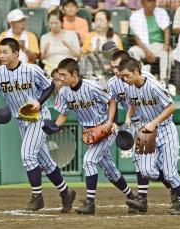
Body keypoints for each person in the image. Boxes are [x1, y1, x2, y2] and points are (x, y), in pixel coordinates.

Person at [0, 38, 76, 213]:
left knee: (27, 155)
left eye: (5, 52)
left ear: (16, 53)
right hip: (20, 120)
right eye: (0, 51)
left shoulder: (31, 69)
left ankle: (37, 197)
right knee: (46, 162)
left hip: (38, 117)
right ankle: (66, 192)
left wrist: (39, 102)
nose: (1, 55)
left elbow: (49, 85)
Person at [52, 58, 137, 215]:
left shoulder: (91, 86)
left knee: (88, 161)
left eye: (64, 75)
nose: (61, 79)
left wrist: (110, 122)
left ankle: (90, 203)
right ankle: (133, 198)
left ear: (74, 73)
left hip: (105, 129)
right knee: (110, 171)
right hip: (90, 133)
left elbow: (111, 101)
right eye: (60, 75)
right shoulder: (64, 92)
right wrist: (55, 126)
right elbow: (63, 114)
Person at [117, 57, 180, 215]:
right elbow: (132, 103)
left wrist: (154, 122)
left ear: (136, 71)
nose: (124, 78)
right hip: (145, 132)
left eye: (127, 75)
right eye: (122, 76)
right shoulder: (129, 87)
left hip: (165, 130)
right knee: (145, 171)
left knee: (170, 172)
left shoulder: (153, 86)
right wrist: (128, 117)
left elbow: (172, 107)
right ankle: (174, 186)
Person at [107, 50, 177, 213]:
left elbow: (165, 103)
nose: (116, 71)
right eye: (113, 68)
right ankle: (143, 199)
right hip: (133, 123)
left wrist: (155, 123)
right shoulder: (112, 83)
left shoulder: (145, 78)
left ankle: (169, 189)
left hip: (152, 123)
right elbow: (113, 103)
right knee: (140, 162)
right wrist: (116, 122)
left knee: (155, 166)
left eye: (118, 67)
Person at [128, 0, 172, 82]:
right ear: (142, 3)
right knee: (132, 52)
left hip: (159, 45)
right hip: (143, 46)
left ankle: (164, 80)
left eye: (153, 1)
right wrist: (147, 51)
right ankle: (140, 77)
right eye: (149, 1)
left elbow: (167, 30)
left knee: (167, 53)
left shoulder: (162, 12)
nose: (151, 4)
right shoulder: (135, 16)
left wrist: (166, 45)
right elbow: (136, 37)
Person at [40, 9, 81, 74]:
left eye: (56, 23)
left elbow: (78, 56)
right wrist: (45, 51)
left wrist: (68, 46)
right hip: (50, 67)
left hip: (67, 67)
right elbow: (42, 59)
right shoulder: (45, 37)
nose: (53, 26)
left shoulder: (72, 34)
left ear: (62, 22)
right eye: (51, 23)